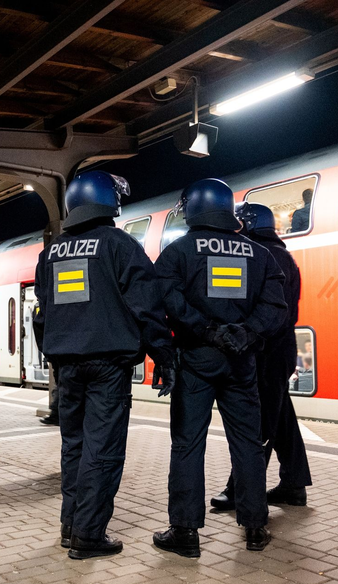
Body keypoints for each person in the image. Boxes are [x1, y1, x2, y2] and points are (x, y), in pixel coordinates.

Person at [33, 171, 175, 560]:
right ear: (106, 200)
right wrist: (163, 354)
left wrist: (54, 354)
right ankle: (88, 535)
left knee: (74, 446)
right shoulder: (119, 245)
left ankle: (70, 525)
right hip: (108, 366)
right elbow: (146, 307)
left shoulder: (51, 253)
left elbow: (41, 315)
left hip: (67, 368)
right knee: (103, 450)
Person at [153, 179, 287, 557]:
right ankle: (256, 527)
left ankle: (185, 533)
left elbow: (167, 301)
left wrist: (206, 329)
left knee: (187, 445)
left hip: (196, 359)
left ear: (194, 208)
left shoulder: (177, 253)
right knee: (246, 443)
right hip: (241, 363)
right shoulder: (259, 254)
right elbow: (276, 308)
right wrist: (246, 332)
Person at [211, 203, 311, 512]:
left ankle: (239, 489)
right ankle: (294, 484)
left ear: (246, 225)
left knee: (258, 422)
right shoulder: (283, 255)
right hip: (280, 348)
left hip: (265, 350)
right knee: (281, 418)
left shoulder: (259, 255)